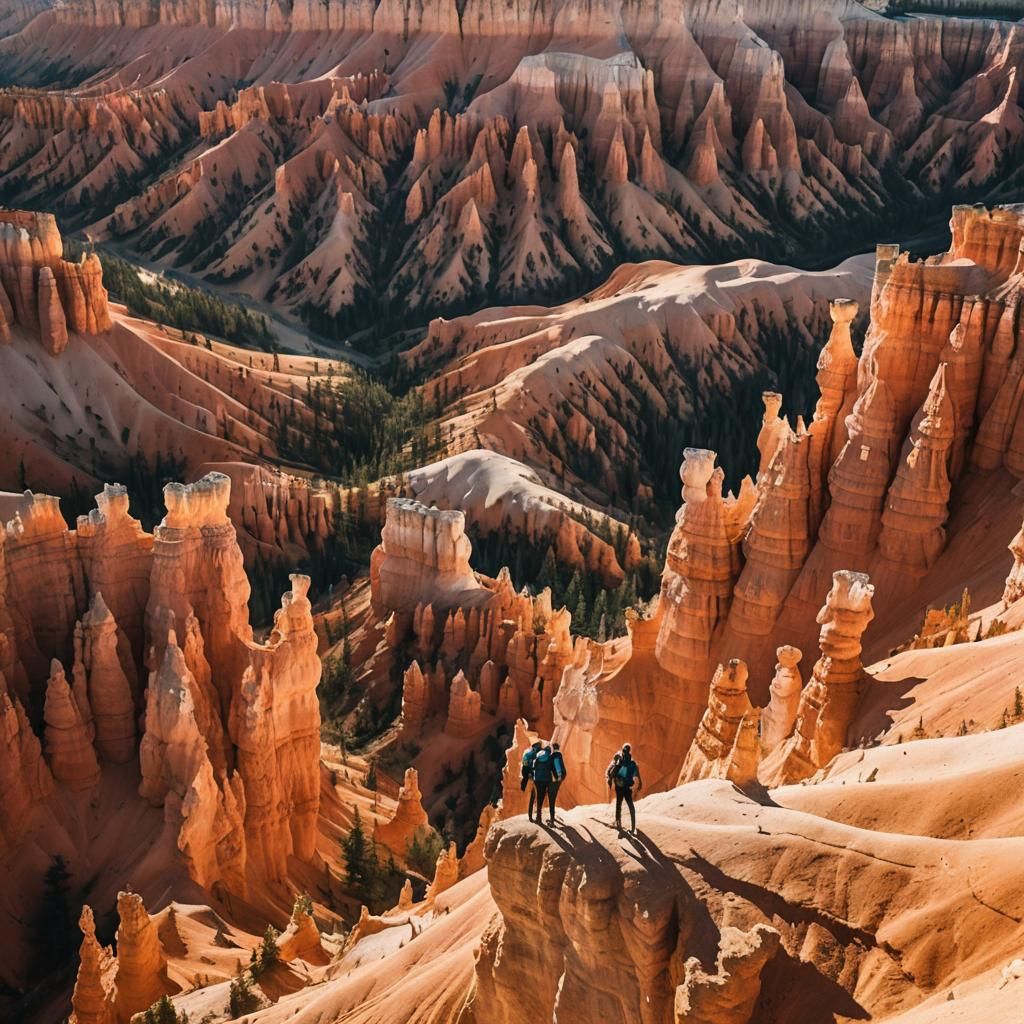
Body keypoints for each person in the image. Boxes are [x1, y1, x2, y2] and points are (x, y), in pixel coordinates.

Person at [607, 743, 642, 834]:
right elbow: (636, 774)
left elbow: (612, 773)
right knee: (629, 805)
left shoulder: (621, 761)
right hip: (625, 787)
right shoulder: (631, 763)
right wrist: (639, 783)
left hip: (620, 787)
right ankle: (632, 826)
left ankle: (620, 824)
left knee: (620, 804)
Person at [531, 743, 555, 825]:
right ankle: (548, 817)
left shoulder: (538, 754)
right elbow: (552, 768)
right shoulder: (550, 757)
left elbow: (533, 765)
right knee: (543, 796)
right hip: (546, 779)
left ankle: (538, 818)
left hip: (537, 779)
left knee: (538, 797)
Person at [521, 740, 542, 821]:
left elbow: (524, 765)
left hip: (530, 778)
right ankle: (538, 816)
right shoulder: (539, 754)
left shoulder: (527, 754)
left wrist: (525, 776)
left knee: (532, 797)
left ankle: (530, 816)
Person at [546, 742, 567, 825]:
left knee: (551, 799)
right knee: (553, 798)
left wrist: (557, 776)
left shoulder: (554, 755)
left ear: (553, 748)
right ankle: (552, 817)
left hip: (555, 779)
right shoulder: (559, 754)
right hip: (559, 779)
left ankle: (552, 820)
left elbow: (557, 765)